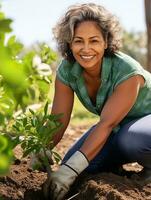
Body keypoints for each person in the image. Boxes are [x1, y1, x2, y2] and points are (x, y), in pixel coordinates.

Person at [44, 3, 151, 200]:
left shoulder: (127, 70)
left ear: (106, 42)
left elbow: (106, 123)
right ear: (69, 43)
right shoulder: (67, 70)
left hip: (143, 125)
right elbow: (58, 120)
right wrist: (43, 147)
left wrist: (70, 170)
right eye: (78, 41)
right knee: (76, 164)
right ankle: (116, 168)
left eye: (94, 41)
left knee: (130, 139)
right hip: (119, 128)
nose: (86, 49)